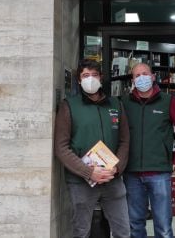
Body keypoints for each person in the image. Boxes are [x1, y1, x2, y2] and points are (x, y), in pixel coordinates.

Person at [54, 59, 131, 238]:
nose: (90, 79)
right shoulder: (69, 106)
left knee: (123, 231)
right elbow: (61, 147)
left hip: (113, 179)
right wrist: (89, 172)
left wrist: (116, 168)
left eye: (94, 75)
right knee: (81, 231)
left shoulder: (116, 105)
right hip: (81, 182)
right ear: (79, 80)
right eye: (85, 75)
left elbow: (125, 141)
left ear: (101, 78)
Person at [122, 62, 175, 238]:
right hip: (131, 172)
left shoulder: (168, 101)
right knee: (135, 225)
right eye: (137, 75)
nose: (142, 78)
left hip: (159, 172)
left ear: (153, 77)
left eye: (145, 74)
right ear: (133, 80)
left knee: (164, 226)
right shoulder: (124, 102)